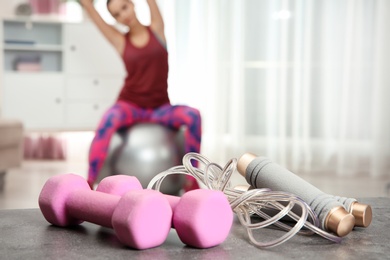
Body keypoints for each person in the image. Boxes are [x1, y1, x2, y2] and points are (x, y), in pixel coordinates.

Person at [80, 0, 201, 190]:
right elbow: (99, 22)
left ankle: (191, 181)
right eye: (117, 15)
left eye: (124, 8)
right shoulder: (121, 41)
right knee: (108, 120)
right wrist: (87, 6)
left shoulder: (157, 30)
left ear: (132, 4)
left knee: (193, 116)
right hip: (131, 106)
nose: (123, 15)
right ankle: (88, 183)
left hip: (159, 109)